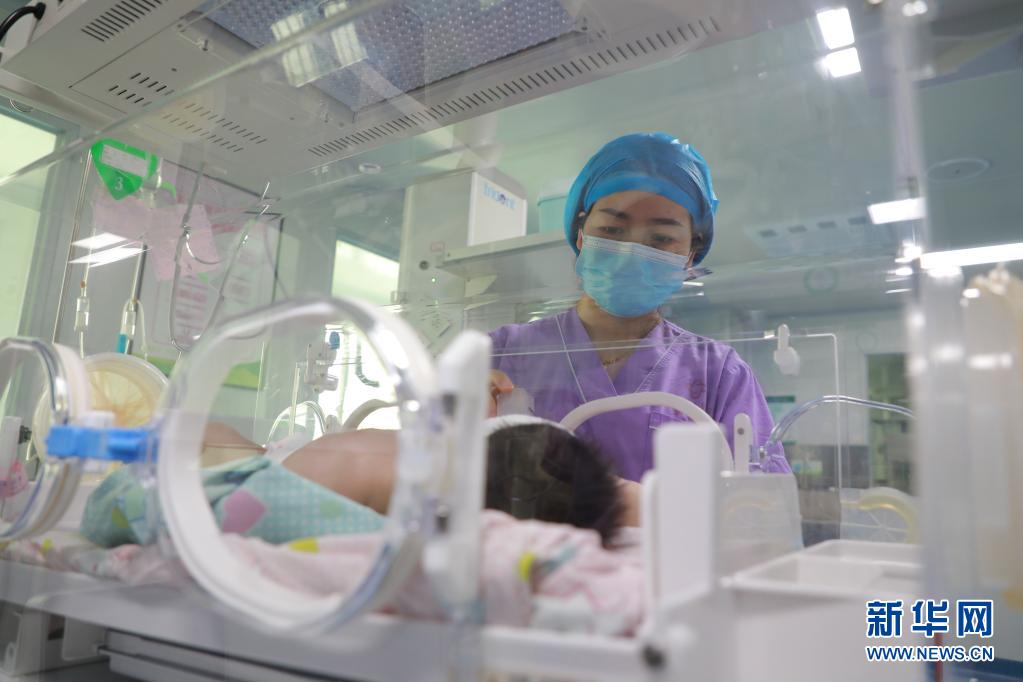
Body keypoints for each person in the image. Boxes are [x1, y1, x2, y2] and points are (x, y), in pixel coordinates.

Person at [488, 132, 790, 481]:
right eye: (612, 229)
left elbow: (762, 500)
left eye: (660, 239)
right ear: (582, 235)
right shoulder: (503, 352)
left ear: (689, 255)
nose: (629, 252)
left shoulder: (719, 374)